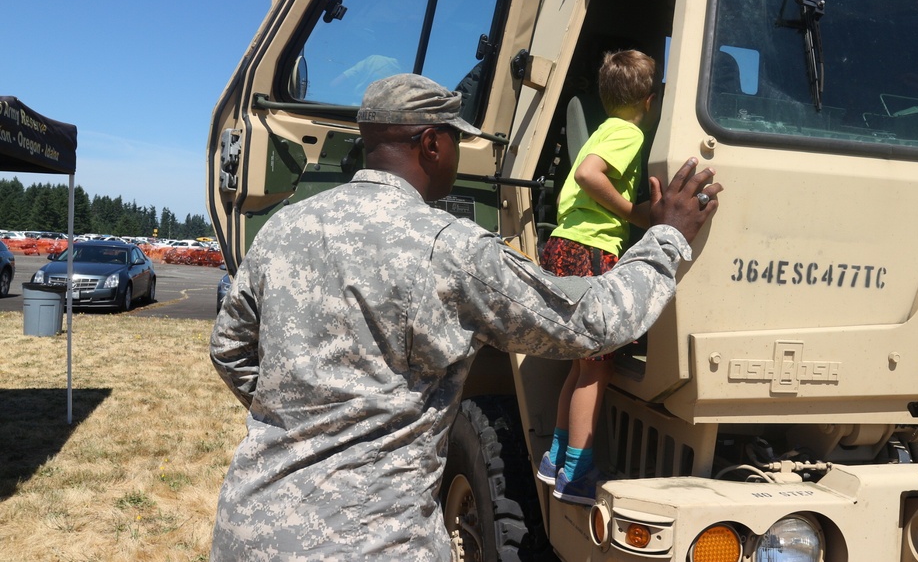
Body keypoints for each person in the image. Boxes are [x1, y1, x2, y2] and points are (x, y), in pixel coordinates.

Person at [209, 73, 722, 560]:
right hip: (369, 543)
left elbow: (229, 348)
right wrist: (667, 238)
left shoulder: (285, 228)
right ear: (432, 144)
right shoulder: (447, 249)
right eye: (456, 139)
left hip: (249, 529)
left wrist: (301, 417)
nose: (459, 153)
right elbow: (590, 324)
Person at [535, 49, 658, 505]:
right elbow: (590, 175)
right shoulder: (627, 133)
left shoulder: (604, 127)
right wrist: (633, 212)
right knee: (597, 372)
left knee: (581, 364)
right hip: (591, 249)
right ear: (650, 101)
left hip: (565, 245)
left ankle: (556, 457)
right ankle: (578, 473)